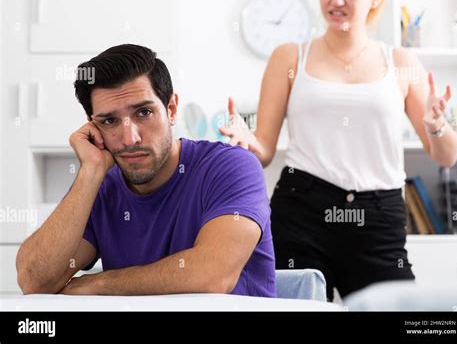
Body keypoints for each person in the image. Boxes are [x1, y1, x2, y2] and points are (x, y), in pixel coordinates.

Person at [220, 0, 457, 301]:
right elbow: (265, 149)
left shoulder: (401, 62)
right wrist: (246, 143)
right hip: (301, 210)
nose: (336, 0)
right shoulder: (289, 58)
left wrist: (436, 125)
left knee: (401, 313)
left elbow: (446, 156)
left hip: (378, 219)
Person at [16, 44, 276, 297]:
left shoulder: (232, 167)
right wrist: (90, 171)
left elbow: (213, 275)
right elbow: (34, 279)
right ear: (93, 126)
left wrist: (101, 283)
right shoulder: (101, 186)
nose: (129, 138)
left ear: (171, 109)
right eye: (109, 121)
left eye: (143, 112)